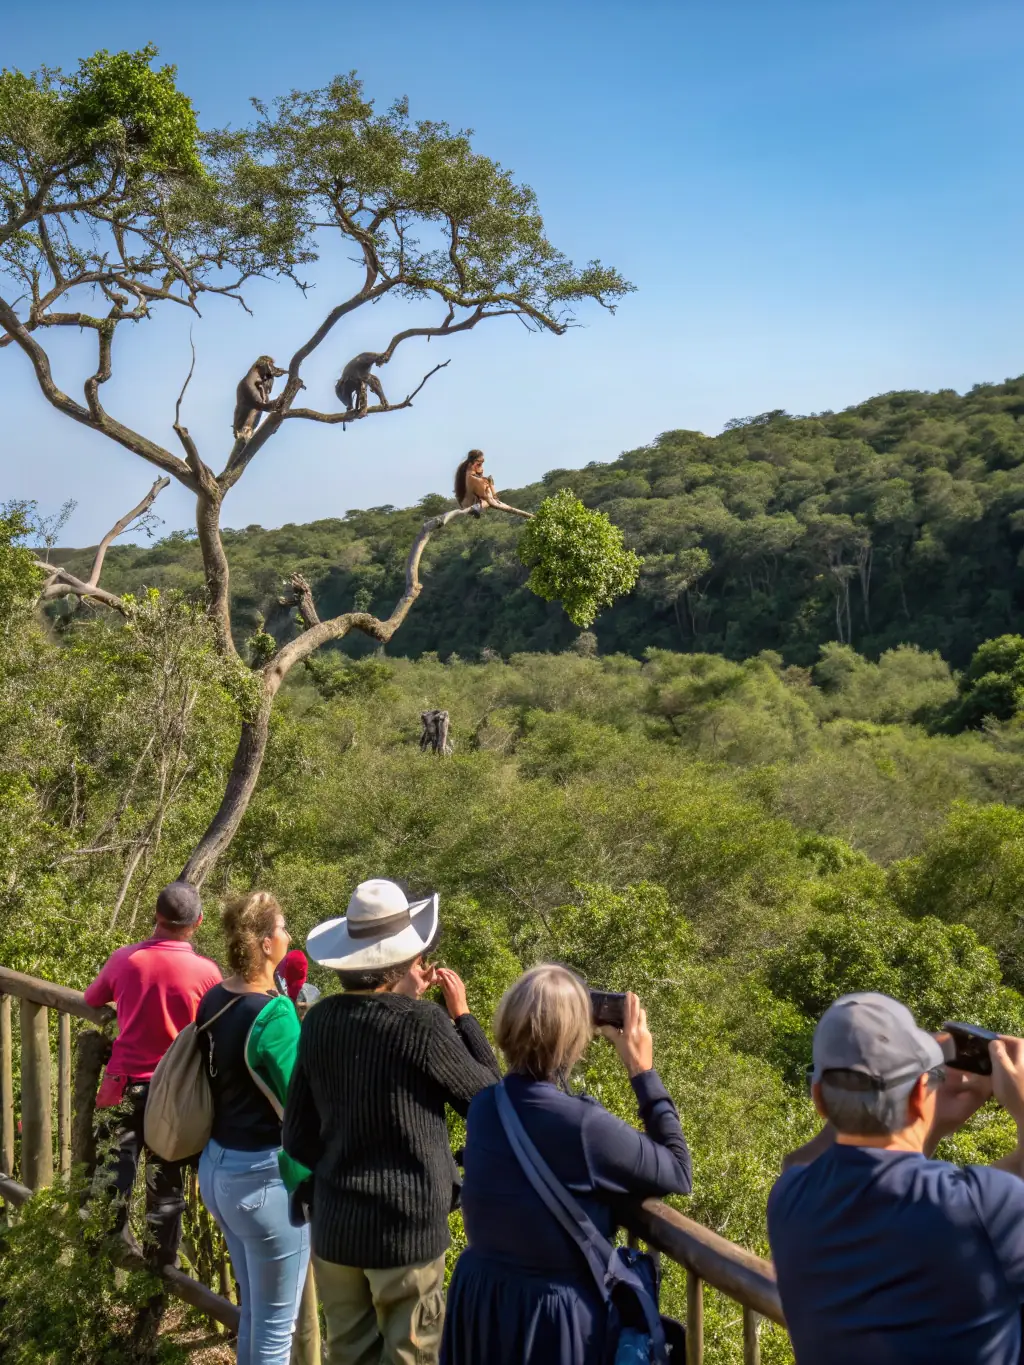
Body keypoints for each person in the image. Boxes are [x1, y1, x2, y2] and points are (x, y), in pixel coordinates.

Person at [283, 878, 500, 1365]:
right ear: (405, 961)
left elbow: (296, 1135)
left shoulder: (318, 1021)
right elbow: (492, 1104)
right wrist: (462, 1018)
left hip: (336, 1229)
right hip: (406, 1235)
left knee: (348, 1355)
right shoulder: (422, 1025)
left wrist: (345, 1166)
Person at [440, 965, 692, 1365]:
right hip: (551, 1320)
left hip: (483, 1302)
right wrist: (642, 1071)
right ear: (574, 1036)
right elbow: (678, 1170)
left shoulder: (486, 1106)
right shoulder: (583, 1125)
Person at [768, 992, 1024, 1365]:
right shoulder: (984, 1203)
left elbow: (863, 1173)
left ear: (819, 1099)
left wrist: (923, 1120)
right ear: (922, 1093)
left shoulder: (789, 1196)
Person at [196, 892, 310, 1365]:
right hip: (264, 1180)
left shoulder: (216, 997)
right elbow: (302, 1100)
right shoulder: (275, 1014)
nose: (288, 936)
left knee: (255, 1319)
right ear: (266, 944)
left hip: (217, 1168)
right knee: (274, 1336)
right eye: (282, 928)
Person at [85, 880, 221, 1267]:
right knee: (165, 1188)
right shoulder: (206, 973)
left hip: (123, 1086)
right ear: (198, 921)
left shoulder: (125, 959)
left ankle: (98, 1265)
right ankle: (160, 1271)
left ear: (156, 917)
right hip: (174, 1097)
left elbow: (92, 999)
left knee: (111, 1181)